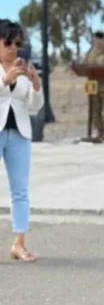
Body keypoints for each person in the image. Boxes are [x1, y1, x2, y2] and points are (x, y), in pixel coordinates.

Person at [0, 19, 43, 262]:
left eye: (18, 43)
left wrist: (36, 86)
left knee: (20, 190)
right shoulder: (7, 72)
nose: (13, 47)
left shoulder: (25, 70)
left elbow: (35, 108)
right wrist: (6, 80)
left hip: (20, 133)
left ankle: (19, 243)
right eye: (8, 42)